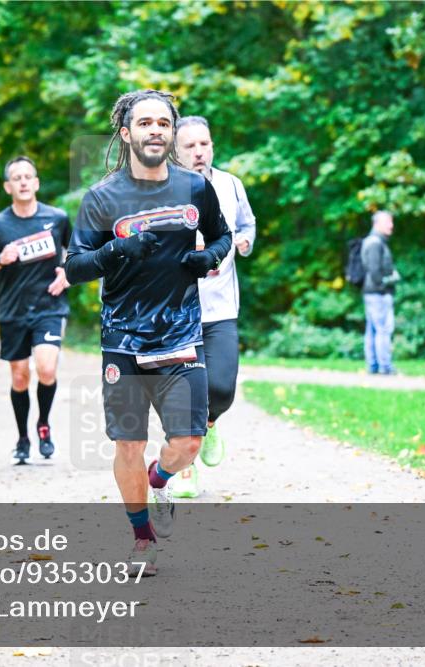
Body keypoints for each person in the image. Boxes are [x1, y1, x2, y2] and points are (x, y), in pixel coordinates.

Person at [65, 90, 232, 575]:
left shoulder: (195, 188)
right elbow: (75, 267)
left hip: (182, 333)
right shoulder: (101, 197)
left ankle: (159, 481)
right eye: (144, 123)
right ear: (126, 133)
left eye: (163, 123)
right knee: (129, 445)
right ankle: (142, 539)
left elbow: (221, 233)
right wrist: (116, 253)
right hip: (123, 338)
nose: (155, 130)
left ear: (172, 133)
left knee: (189, 443)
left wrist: (210, 257)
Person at [172, 115, 256, 498]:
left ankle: (209, 421)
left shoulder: (230, 184)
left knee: (221, 388)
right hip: (176, 309)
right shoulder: (164, 189)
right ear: (175, 151)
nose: (198, 151)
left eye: (203, 144)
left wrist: (243, 243)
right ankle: (184, 467)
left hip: (221, 308)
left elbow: (247, 225)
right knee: (182, 391)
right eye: (189, 146)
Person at [0, 156, 71, 464]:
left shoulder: (57, 218)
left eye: (29, 176)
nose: (24, 182)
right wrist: (0, 259)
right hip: (13, 310)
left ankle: (43, 424)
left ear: (37, 183)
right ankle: (22, 437)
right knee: (19, 377)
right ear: (8, 186)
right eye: (17, 178)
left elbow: (75, 252)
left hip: (49, 307)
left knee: (46, 368)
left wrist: (66, 273)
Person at [361, 211, 400, 375]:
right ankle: (385, 366)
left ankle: (374, 366)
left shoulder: (374, 241)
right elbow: (375, 271)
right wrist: (391, 280)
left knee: (372, 329)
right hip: (378, 293)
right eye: (388, 222)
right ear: (377, 224)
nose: (391, 225)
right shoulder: (375, 243)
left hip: (373, 292)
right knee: (383, 329)